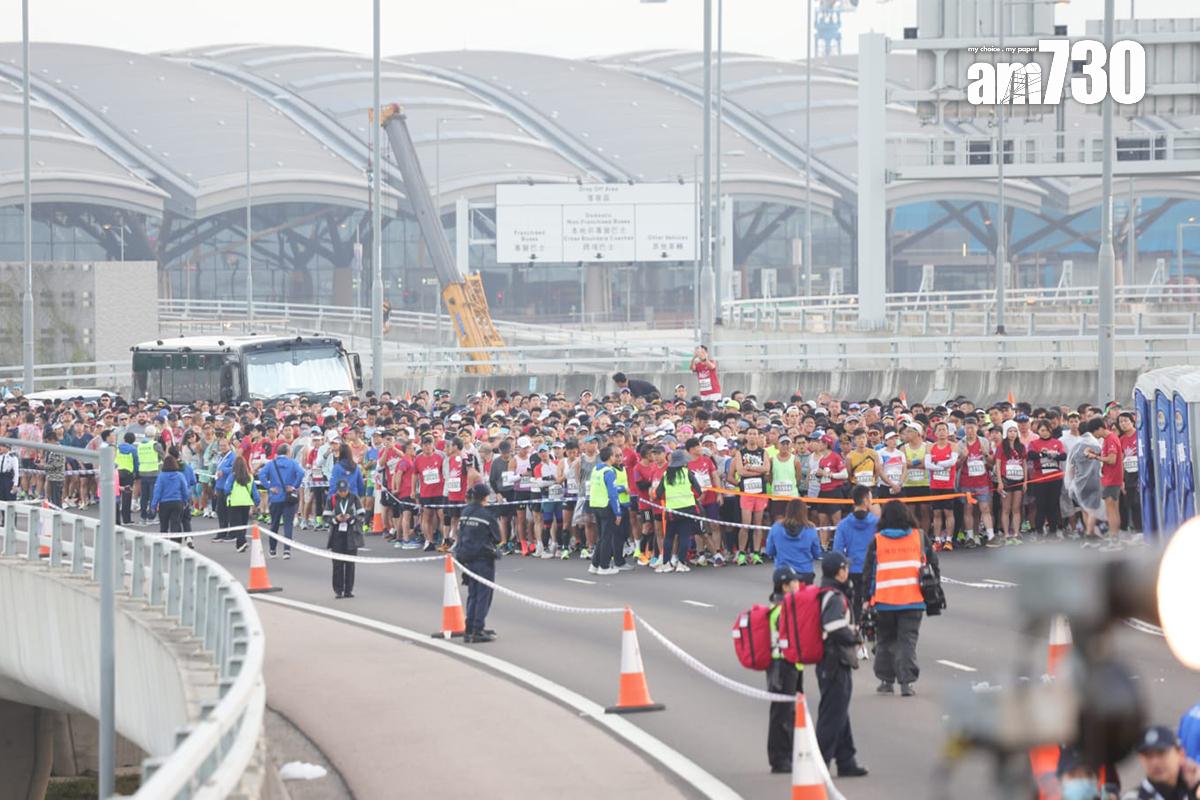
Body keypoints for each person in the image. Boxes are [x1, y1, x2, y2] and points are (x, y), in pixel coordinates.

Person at [863, 500, 938, 697]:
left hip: (884, 601)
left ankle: (886, 681)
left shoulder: (877, 540)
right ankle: (906, 682)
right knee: (907, 641)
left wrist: (866, 598)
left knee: (885, 640)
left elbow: (869, 573)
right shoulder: (919, 537)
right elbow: (933, 564)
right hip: (913, 599)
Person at [815, 551, 868, 778]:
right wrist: (855, 637)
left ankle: (846, 761)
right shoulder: (834, 596)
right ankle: (819, 765)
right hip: (834, 661)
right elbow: (834, 626)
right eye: (845, 567)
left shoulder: (831, 592)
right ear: (839, 571)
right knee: (832, 715)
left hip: (833, 661)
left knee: (839, 712)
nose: (848, 570)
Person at [767, 565, 804, 774]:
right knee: (782, 713)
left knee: (788, 712)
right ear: (785, 586)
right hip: (782, 665)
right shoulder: (782, 610)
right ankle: (779, 758)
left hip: (788, 664)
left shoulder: (781, 606)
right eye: (794, 582)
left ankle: (786, 755)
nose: (798, 584)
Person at [455, 482, 502, 643]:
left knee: (473, 594)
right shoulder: (487, 515)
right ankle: (478, 629)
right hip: (483, 558)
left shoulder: (465, 512)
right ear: (485, 498)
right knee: (484, 595)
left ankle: (469, 628)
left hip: (466, 558)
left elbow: (460, 533)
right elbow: (497, 538)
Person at [832, 485, 877, 627]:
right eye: (871, 498)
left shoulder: (844, 524)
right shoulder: (876, 523)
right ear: (866, 500)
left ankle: (855, 630)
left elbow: (837, 551)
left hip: (852, 570)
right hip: (873, 571)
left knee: (853, 607)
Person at [653, 448, 703, 573]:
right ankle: (681, 563)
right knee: (684, 536)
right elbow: (698, 491)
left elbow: (658, 493)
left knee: (669, 537)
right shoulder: (687, 473)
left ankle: (666, 563)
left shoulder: (666, 474)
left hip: (672, 510)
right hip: (688, 509)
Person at [1125, 725, 1200, 800]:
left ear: (1180, 754)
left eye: (1161, 753)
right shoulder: (1133, 797)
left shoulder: (1191, 790)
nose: (1155, 762)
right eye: (1148, 755)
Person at [764, 498, 823, 583]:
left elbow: (769, 551)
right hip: (805, 573)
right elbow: (816, 553)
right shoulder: (810, 529)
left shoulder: (776, 527)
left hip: (783, 573)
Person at [262, 442, 304, 559]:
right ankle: (286, 550)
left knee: (274, 524)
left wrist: (269, 487)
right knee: (288, 525)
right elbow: (301, 473)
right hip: (288, 496)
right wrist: (294, 486)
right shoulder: (292, 463)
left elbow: (261, 474)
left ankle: (272, 549)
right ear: (288, 452)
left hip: (275, 497)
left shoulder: (272, 463)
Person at [588, 444, 624, 576]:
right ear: (610, 457)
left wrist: (621, 488)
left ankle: (594, 564)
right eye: (614, 455)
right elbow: (613, 494)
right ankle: (604, 566)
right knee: (607, 538)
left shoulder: (596, 469)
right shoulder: (609, 472)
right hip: (606, 506)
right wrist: (618, 512)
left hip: (596, 505)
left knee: (602, 537)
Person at [328, 479, 363, 599]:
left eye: (345, 491)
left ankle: (348, 590)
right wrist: (336, 519)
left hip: (351, 534)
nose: (343, 493)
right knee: (337, 564)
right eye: (341, 491)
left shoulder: (354, 498)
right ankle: (338, 590)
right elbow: (326, 516)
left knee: (350, 564)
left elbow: (361, 515)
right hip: (337, 534)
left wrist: (351, 518)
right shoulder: (332, 499)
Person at [150, 455, 192, 548]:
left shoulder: (161, 476)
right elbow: (185, 490)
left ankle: (164, 545)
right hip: (177, 502)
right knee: (175, 524)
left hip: (164, 503)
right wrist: (185, 501)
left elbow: (157, 491)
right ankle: (175, 546)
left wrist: (153, 505)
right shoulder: (180, 475)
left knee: (164, 526)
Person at [222, 455, 260, 553]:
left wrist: (228, 494)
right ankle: (241, 543)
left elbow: (226, 489)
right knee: (243, 523)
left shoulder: (232, 476)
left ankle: (241, 542)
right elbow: (255, 492)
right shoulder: (250, 477)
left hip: (234, 503)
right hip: (246, 503)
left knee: (236, 524)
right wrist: (256, 503)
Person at [115, 432, 140, 526]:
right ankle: (126, 519)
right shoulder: (133, 449)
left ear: (124, 439)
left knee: (116, 495)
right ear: (133, 441)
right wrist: (136, 473)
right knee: (127, 496)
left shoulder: (117, 448)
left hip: (117, 473)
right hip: (128, 473)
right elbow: (136, 463)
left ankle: (116, 519)